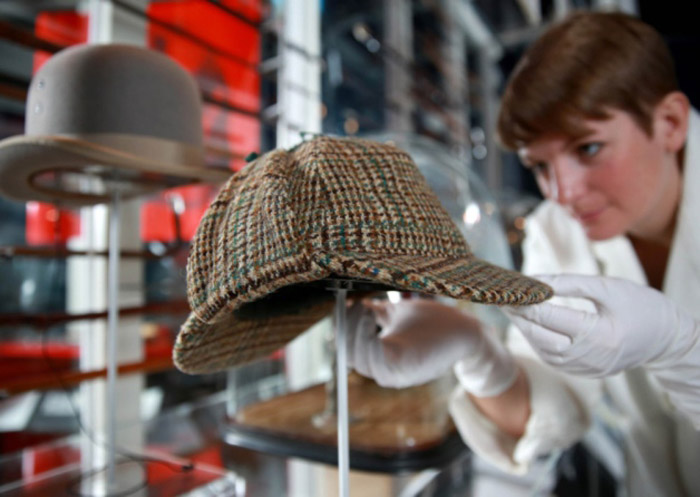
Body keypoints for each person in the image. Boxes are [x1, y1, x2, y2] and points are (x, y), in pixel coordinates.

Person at [346, 10, 700, 497]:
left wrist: (682, 349)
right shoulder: (555, 230)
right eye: (540, 166)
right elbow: (558, 407)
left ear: (670, 123)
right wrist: (476, 353)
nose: (563, 193)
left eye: (589, 148)